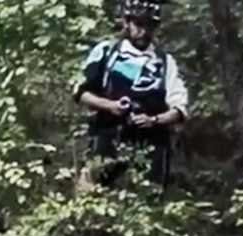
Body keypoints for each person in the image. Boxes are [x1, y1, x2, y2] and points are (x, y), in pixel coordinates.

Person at [73, 0, 189, 190]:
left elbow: (179, 108)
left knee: (149, 203)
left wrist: (154, 120)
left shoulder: (165, 62)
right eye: (138, 24)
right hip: (107, 141)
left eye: (149, 25)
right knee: (95, 197)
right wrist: (110, 106)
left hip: (151, 148)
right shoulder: (106, 52)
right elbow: (81, 93)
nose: (144, 31)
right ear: (127, 23)